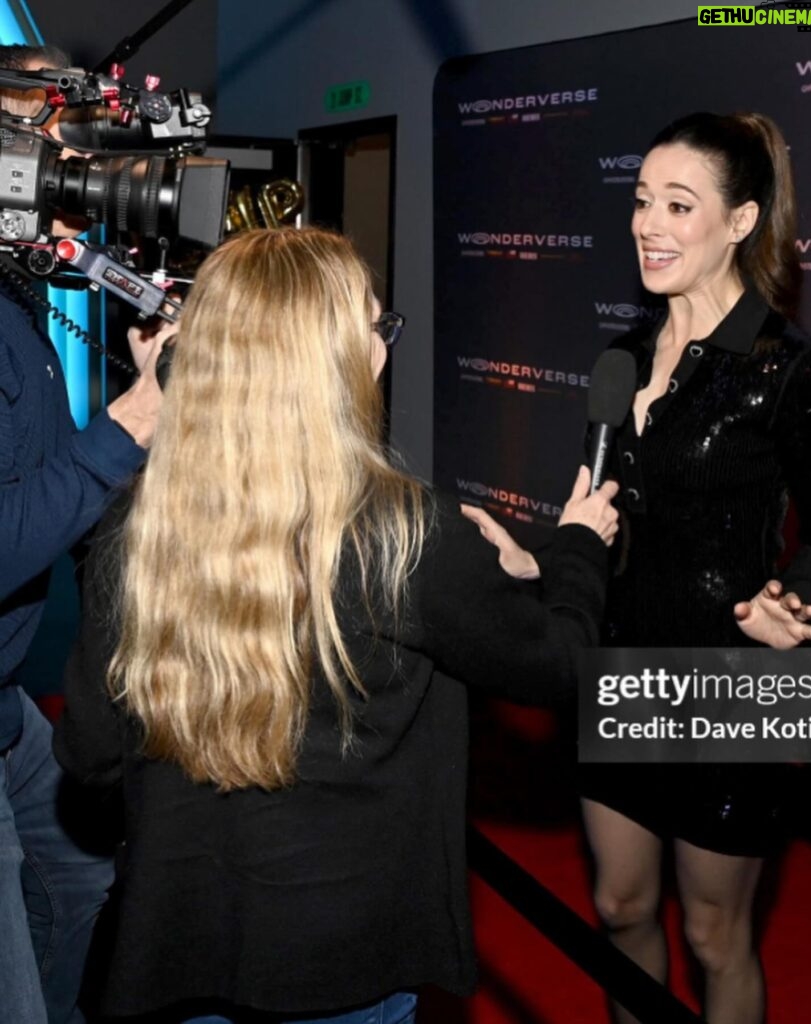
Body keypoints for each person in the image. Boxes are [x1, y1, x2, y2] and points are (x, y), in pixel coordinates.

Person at [53, 226, 619, 1024]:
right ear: (340, 361)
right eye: (375, 328)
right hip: (345, 959)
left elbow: (90, 756)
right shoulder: (407, 536)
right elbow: (562, 667)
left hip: (176, 944)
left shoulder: (135, 529)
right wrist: (572, 553)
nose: (383, 350)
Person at [577, 112, 811, 1024]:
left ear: (740, 221)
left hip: (736, 675)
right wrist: (542, 552)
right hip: (621, 654)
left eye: (678, 205)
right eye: (641, 201)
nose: (648, 224)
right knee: (618, 908)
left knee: (718, 938)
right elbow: (598, 508)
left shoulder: (784, 370)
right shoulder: (621, 355)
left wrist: (793, 606)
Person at [0, 42, 170, 1024]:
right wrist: (132, 424)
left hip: (13, 709)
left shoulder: (21, 293)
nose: (82, 182)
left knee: (89, 892)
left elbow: (50, 481)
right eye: (59, 156)